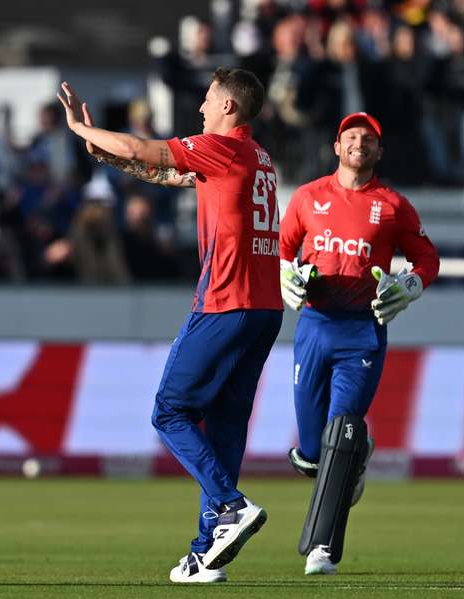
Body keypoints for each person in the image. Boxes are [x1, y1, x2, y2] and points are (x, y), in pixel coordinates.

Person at [58, 67, 283, 584]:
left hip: (225, 302)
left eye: (207, 99)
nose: (201, 108)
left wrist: (82, 131)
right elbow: (168, 174)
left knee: (169, 411)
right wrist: (105, 154)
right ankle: (206, 552)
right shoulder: (257, 158)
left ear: (228, 107)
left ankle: (229, 505)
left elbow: (143, 149)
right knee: (225, 426)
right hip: (265, 309)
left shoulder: (218, 147)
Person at [279, 111, 439, 575]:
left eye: (368, 139)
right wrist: (288, 277)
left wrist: (407, 287)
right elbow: (283, 249)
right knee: (311, 453)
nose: (359, 144)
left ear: (378, 152)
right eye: (351, 137)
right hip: (314, 326)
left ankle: (321, 549)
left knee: (339, 436)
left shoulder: (392, 205)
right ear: (336, 147)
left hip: (362, 331)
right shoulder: (308, 197)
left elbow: (426, 258)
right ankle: (353, 455)